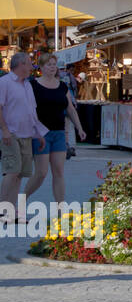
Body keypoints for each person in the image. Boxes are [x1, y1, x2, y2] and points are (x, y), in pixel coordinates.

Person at [24, 53, 85, 203]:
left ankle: (61, 208)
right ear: (41, 67)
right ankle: (22, 199)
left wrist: (79, 128)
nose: (52, 67)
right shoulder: (33, 85)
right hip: (40, 133)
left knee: (58, 172)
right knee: (41, 173)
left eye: (54, 64)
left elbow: (70, 109)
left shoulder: (62, 86)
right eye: (49, 64)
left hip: (58, 132)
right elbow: (27, 109)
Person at [0, 53, 47, 219]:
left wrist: (38, 133)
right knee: (12, 170)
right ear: (20, 65)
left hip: (27, 134)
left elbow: (31, 112)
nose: (32, 68)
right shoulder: (4, 82)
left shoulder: (27, 85)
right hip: (11, 133)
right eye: (29, 64)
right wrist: (4, 130)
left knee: (20, 173)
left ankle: (10, 212)